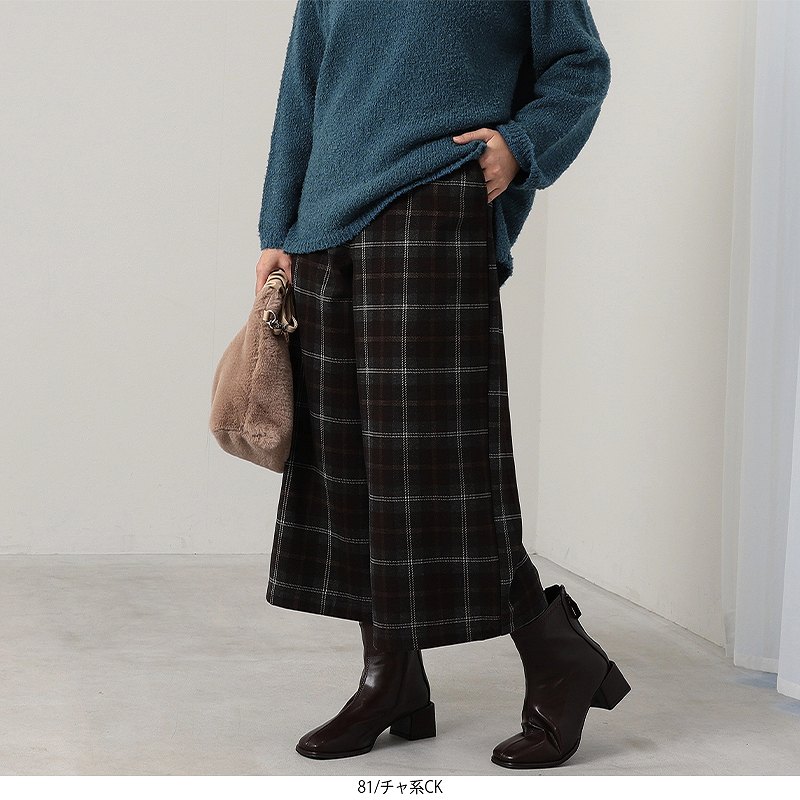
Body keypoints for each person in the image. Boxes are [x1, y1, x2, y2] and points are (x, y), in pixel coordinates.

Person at [254, 0, 629, 769]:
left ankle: (559, 656)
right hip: (324, 229)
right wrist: (277, 228)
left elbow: (579, 65)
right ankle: (392, 678)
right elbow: (302, 88)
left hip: (433, 206)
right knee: (351, 468)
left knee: (441, 468)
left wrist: (520, 145)